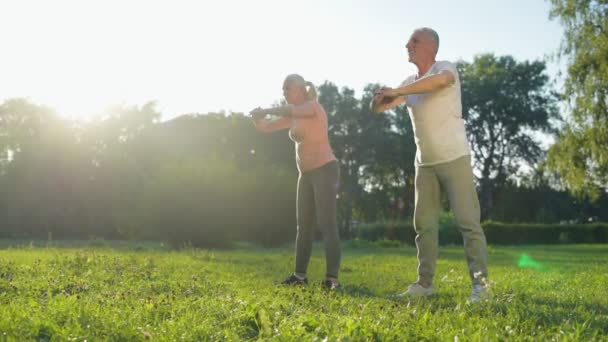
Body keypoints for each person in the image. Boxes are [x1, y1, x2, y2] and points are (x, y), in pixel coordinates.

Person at [371, 28, 489, 302]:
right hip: (424, 164)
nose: (407, 45)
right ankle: (425, 285)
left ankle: (481, 287)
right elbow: (382, 108)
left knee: (468, 223)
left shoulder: (445, 68)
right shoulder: (409, 82)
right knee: (423, 225)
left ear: (430, 46)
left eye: (414, 41)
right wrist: (378, 101)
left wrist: (398, 91)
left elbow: (439, 82)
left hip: (455, 157)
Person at [250, 74, 341, 290]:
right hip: (306, 174)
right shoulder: (293, 115)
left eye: (287, 88)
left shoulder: (313, 107)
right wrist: (256, 117)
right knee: (304, 226)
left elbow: (287, 111)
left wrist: (267, 110)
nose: (284, 92)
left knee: (327, 224)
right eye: (283, 89)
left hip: (325, 169)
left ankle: (332, 280)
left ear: (301, 89)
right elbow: (267, 127)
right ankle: (299, 276)